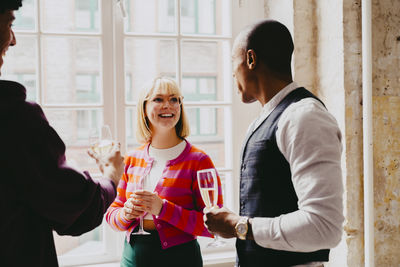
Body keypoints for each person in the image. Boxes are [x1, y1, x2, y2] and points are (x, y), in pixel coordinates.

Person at [203, 19, 344, 267]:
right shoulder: (265, 119)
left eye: (233, 64)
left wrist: (240, 226)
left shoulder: (304, 116)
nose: (232, 73)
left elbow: (325, 226)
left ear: (251, 59)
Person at [0, 1, 124, 266]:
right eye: (10, 23)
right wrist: (112, 175)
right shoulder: (14, 118)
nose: (13, 41)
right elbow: (77, 209)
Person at [105, 77, 223, 267]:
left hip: (181, 259)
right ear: (144, 108)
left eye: (174, 99)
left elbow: (214, 225)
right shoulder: (132, 159)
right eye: (158, 99)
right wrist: (126, 214)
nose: (168, 105)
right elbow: (112, 215)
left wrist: (163, 209)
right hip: (132, 259)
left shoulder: (199, 161)